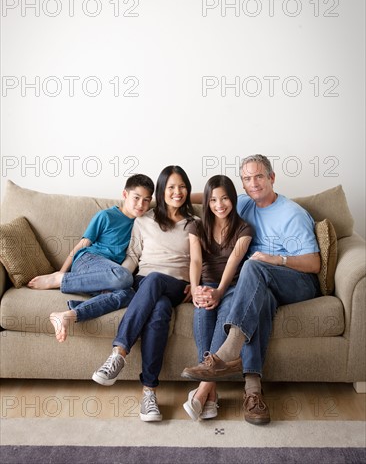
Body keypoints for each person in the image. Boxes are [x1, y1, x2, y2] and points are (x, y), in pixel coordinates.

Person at [182, 154, 321, 425]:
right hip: (262, 285)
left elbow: (314, 264)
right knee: (259, 301)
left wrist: (275, 259)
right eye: (247, 179)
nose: (253, 183)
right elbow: (212, 197)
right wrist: (176, 196)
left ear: (272, 177)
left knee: (252, 267)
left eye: (259, 176)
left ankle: (227, 352)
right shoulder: (244, 203)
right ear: (242, 186)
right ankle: (253, 392)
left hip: (297, 281)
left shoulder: (292, 213)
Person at [92, 165, 194, 423]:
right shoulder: (144, 220)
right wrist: (119, 280)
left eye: (182, 186)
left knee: (157, 279)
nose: (177, 192)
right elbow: (133, 256)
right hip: (145, 283)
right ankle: (149, 393)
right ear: (161, 191)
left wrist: (198, 283)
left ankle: (119, 353)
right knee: (159, 312)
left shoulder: (195, 224)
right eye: (171, 187)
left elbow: (201, 261)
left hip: (175, 285)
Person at [27, 174, 154, 342]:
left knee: (130, 295)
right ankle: (61, 279)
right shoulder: (106, 216)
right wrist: (61, 271)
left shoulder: (143, 223)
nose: (141, 204)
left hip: (107, 276)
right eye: (136, 198)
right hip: (88, 260)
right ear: (125, 195)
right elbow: (82, 245)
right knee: (124, 276)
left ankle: (68, 316)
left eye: (146, 200)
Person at [183, 175, 252, 421]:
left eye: (224, 198)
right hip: (206, 283)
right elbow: (196, 260)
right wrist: (196, 288)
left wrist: (220, 292)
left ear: (233, 199)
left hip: (232, 286)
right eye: (212, 199)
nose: (219, 205)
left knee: (225, 316)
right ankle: (211, 394)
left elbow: (234, 261)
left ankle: (203, 392)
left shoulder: (244, 228)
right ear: (206, 201)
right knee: (202, 310)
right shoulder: (196, 225)